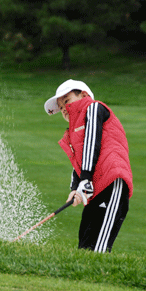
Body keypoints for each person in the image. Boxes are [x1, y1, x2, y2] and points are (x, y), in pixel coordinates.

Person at [44, 79, 133, 253]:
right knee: (85, 245)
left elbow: (92, 143)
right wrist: (75, 188)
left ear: (83, 95)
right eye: (61, 107)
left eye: (67, 101)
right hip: (95, 188)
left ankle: (99, 279)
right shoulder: (73, 133)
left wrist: (84, 180)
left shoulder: (94, 108)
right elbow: (80, 159)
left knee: (98, 248)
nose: (64, 109)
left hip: (112, 182)